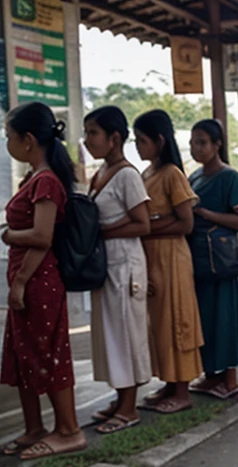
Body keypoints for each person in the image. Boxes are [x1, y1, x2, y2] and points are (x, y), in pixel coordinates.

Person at [1, 102, 86, 459]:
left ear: (28, 140)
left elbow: (41, 237)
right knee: (24, 355)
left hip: (38, 281)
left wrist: (9, 237)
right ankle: (34, 426)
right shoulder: (35, 178)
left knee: (47, 353)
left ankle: (68, 430)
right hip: (29, 279)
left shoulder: (47, 182)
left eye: (9, 137)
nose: (7, 143)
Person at [83, 106, 152, 434]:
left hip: (124, 264)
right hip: (106, 264)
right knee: (110, 332)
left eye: (93, 133)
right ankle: (119, 397)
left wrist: (102, 233)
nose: (87, 140)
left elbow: (142, 224)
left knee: (126, 332)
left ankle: (129, 406)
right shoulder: (100, 174)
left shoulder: (127, 175)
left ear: (113, 138)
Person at [134, 109, 203, 414]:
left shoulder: (172, 174)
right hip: (149, 255)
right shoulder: (146, 173)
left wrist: (149, 225)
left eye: (142, 140)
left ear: (159, 141)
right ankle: (168, 381)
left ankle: (183, 389)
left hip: (172, 256)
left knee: (177, 320)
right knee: (158, 323)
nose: (137, 146)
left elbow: (186, 223)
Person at [187, 119, 238, 399]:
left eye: (202, 142)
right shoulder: (194, 177)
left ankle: (230, 379)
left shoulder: (229, 177)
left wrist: (206, 214)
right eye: (192, 142)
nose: (196, 148)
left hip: (221, 260)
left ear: (217, 145)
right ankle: (211, 375)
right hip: (198, 258)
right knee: (205, 318)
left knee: (224, 317)